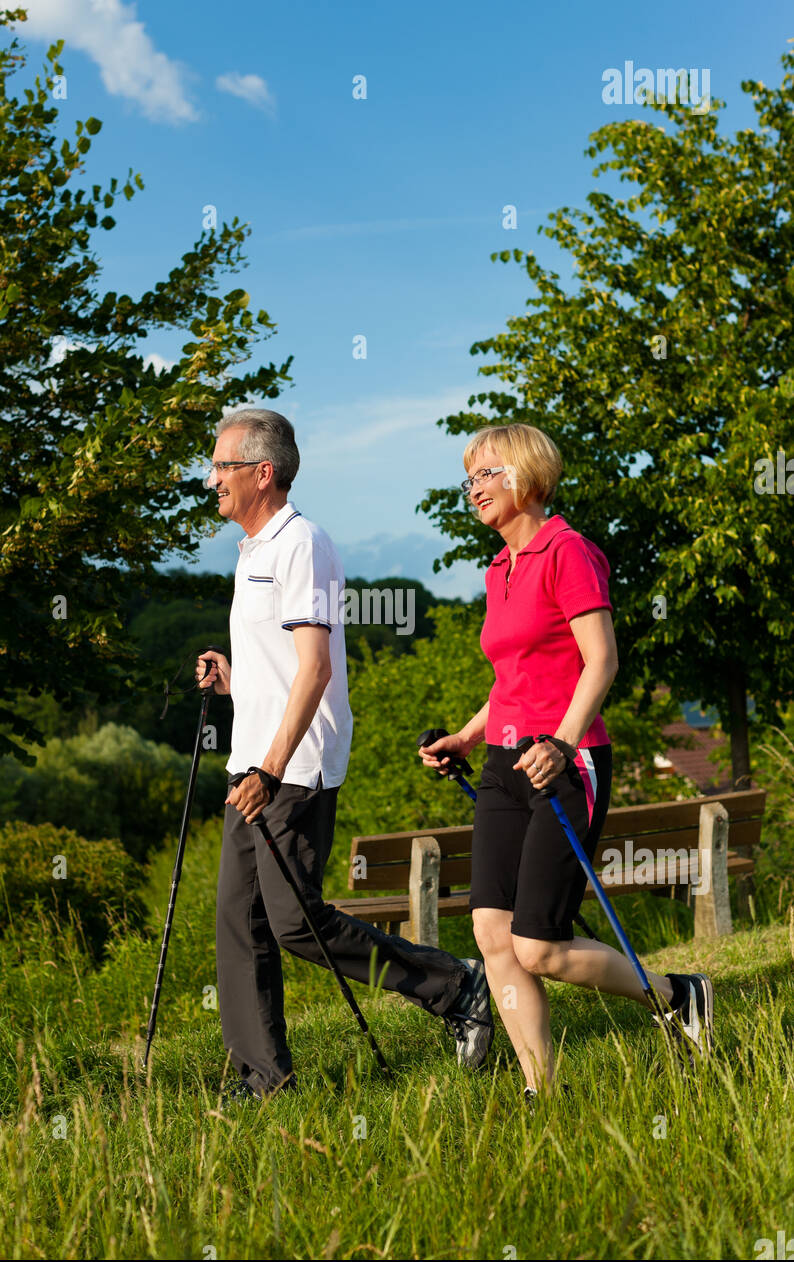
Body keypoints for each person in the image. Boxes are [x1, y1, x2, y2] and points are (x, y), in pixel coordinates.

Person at [195, 407, 492, 1099]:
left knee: (297, 922)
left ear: (262, 474)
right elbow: (280, 673)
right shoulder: (253, 552)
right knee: (240, 924)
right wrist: (234, 682)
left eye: (222, 466)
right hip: (256, 763)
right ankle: (263, 1080)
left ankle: (456, 987)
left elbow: (317, 671)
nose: (212, 479)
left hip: (291, 769)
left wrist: (271, 768)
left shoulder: (305, 545)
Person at [419, 423, 713, 1102]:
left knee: (539, 946)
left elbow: (601, 660)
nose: (473, 490)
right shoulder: (499, 568)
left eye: (485, 474)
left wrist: (562, 742)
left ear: (526, 474)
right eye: (469, 479)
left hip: (567, 762)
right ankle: (541, 1089)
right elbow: (509, 678)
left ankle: (678, 995)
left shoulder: (567, 550)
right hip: (504, 762)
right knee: (491, 932)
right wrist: (466, 738)